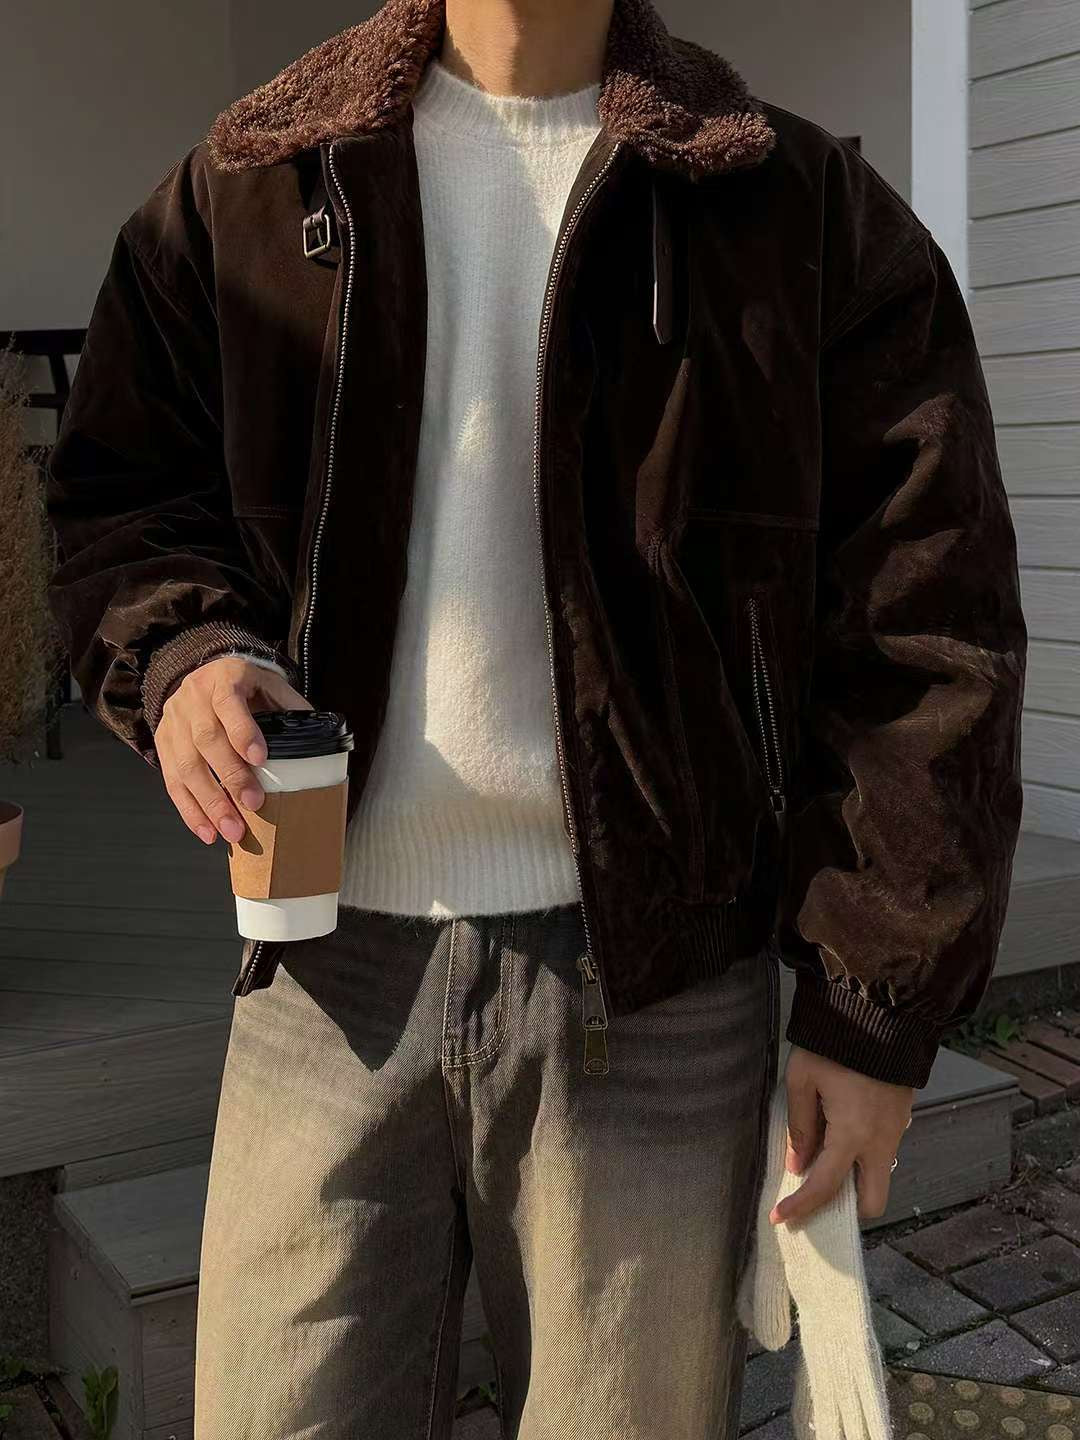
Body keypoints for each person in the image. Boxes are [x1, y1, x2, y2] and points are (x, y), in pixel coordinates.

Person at [45, 0, 1026, 1435]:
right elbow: (122, 498)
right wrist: (187, 651)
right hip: (322, 976)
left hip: (660, 996)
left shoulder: (797, 211)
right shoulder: (252, 182)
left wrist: (872, 1004)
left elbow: (927, 624)